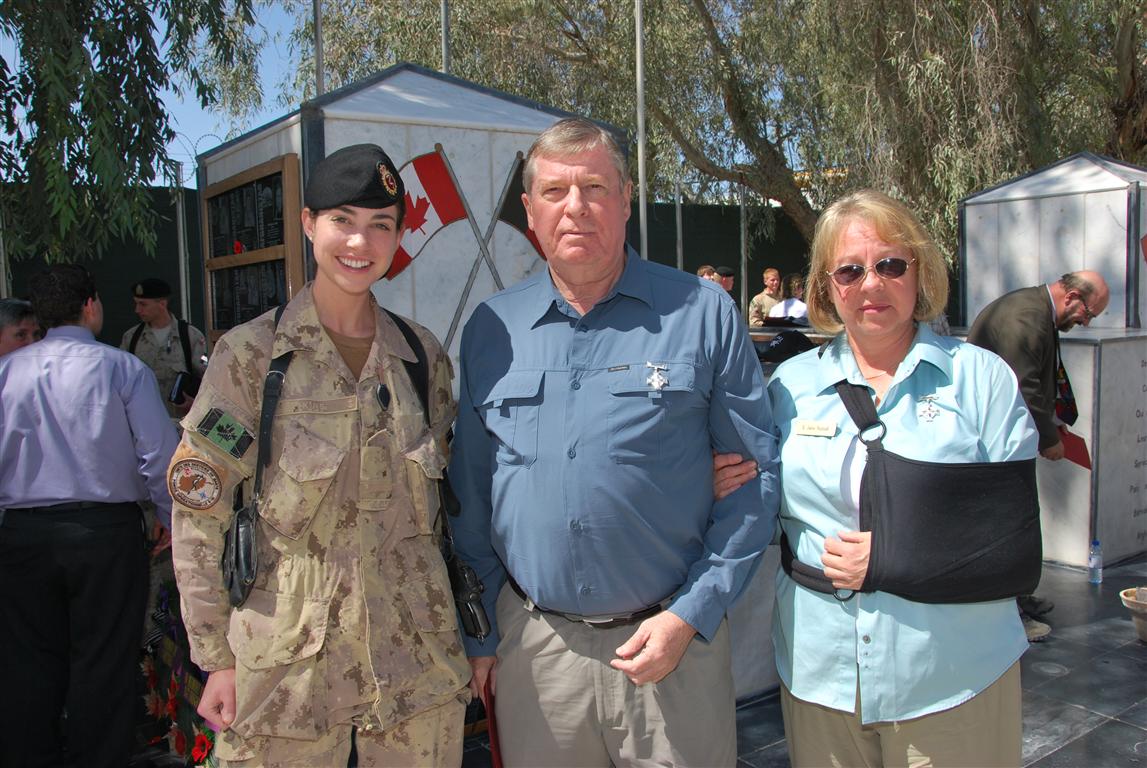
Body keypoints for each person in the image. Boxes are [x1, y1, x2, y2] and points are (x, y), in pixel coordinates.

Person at [449, 117, 780, 768]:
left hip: (673, 648)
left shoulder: (701, 313)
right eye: (554, 192)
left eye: (595, 187)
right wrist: (482, 635)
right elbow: (471, 498)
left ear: (626, 200)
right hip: (536, 654)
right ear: (529, 211)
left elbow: (754, 482)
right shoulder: (491, 328)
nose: (575, 207)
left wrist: (692, 612)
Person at [169, 144, 470, 766]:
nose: (360, 242)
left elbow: (448, 512)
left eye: (380, 225)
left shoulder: (422, 359)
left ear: (398, 236)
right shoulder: (253, 358)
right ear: (309, 224)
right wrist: (214, 658)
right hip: (286, 671)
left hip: (414, 662)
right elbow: (200, 512)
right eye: (343, 220)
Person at [763, 190, 1037, 767]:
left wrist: (894, 555)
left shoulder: (979, 380)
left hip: (953, 679)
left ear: (920, 271)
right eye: (850, 270)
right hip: (821, 678)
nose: (871, 284)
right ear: (824, 286)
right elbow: (759, 503)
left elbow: (1010, 541)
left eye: (891, 264)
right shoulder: (786, 388)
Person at [0, 264, 178, 768]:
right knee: (104, 660)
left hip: (24, 535)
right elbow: (160, 457)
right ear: (91, 305)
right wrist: (169, 518)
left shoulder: (7, 372)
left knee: (27, 658)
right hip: (105, 533)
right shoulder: (122, 369)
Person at [967, 270, 1110, 641]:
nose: (1085, 321)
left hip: (1005, 440)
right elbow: (1023, 387)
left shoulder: (1035, 310)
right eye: (1088, 313)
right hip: (994, 445)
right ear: (1073, 295)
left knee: (1018, 524)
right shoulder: (1028, 316)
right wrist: (1049, 438)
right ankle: (1009, 614)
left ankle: (1017, 597)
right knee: (1005, 529)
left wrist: (1054, 425)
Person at [121, 277, 208, 418]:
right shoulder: (131, 338)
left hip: (179, 426)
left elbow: (208, 376)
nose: (137, 310)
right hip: (143, 425)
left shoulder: (191, 336)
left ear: (162, 304)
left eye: (143, 304)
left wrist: (196, 404)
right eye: (136, 304)